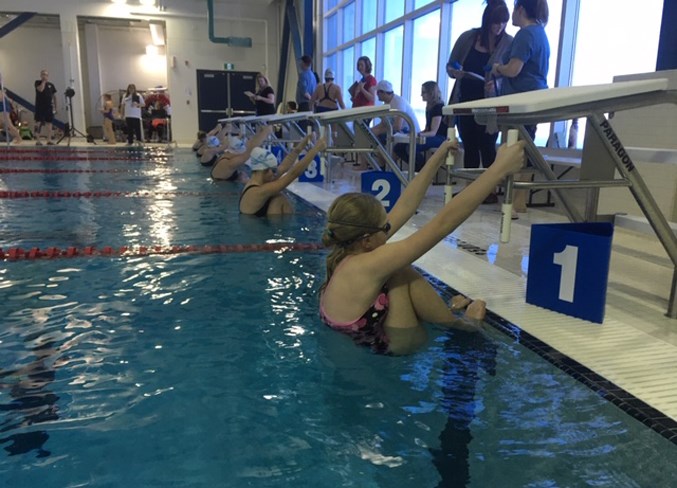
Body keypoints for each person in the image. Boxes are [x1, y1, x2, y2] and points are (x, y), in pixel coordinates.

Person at [320, 138, 526, 355]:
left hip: (360, 340)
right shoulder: (371, 264)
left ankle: (449, 316)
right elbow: (443, 223)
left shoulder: (346, 251)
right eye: (385, 227)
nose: (389, 227)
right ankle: (464, 326)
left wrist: (439, 154)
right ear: (367, 240)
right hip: (390, 347)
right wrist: (498, 169)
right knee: (401, 271)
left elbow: (406, 205)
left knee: (396, 269)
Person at [447, 0, 513, 203]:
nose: (499, 27)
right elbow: (450, 66)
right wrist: (456, 72)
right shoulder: (468, 38)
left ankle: (489, 190)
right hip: (465, 100)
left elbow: (511, 75)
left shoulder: (508, 43)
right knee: (470, 145)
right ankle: (470, 190)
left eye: (503, 23)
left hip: (491, 104)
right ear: (487, 21)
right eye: (495, 23)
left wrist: (497, 84)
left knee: (487, 145)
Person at [491, 0, 549, 214]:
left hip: (519, 103)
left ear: (521, 10)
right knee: (525, 148)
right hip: (533, 100)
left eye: (514, 11)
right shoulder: (541, 34)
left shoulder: (526, 34)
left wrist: (498, 68)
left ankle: (511, 201)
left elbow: (514, 69)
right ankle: (519, 200)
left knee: (512, 150)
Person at [240, 133, 326, 217]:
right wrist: (315, 150)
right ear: (265, 170)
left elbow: (284, 166)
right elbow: (293, 174)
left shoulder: (258, 182)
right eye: (273, 170)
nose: (275, 173)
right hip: (266, 228)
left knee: (277, 198)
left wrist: (303, 143)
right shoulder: (258, 192)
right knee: (278, 199)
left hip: (262, 225)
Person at [393, 81, 448, 171]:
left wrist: (419, 135)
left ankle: (423, 170)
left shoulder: (438, 107)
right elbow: (427, 129)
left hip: (440, 137)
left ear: (431, 93)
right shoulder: (429, 107)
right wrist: (415, 133)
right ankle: (417, 168)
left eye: (423, 92)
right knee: (398, 147)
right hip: (432, 135)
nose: (421, 95)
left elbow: (433, 132)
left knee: (412, 147)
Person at [34, 69, 58, 145]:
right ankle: (38, 140)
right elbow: (40, 90)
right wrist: (44, 82)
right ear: (41, 76)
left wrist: (56, 107)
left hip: (49, 107)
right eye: (43, 74)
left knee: (49, 123)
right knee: (38, 123)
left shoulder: (51, 85)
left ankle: (49, 140)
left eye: (46, 75)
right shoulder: (37, 82)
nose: (44, 76)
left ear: (48, 76)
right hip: (40, 107)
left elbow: (54, 97)